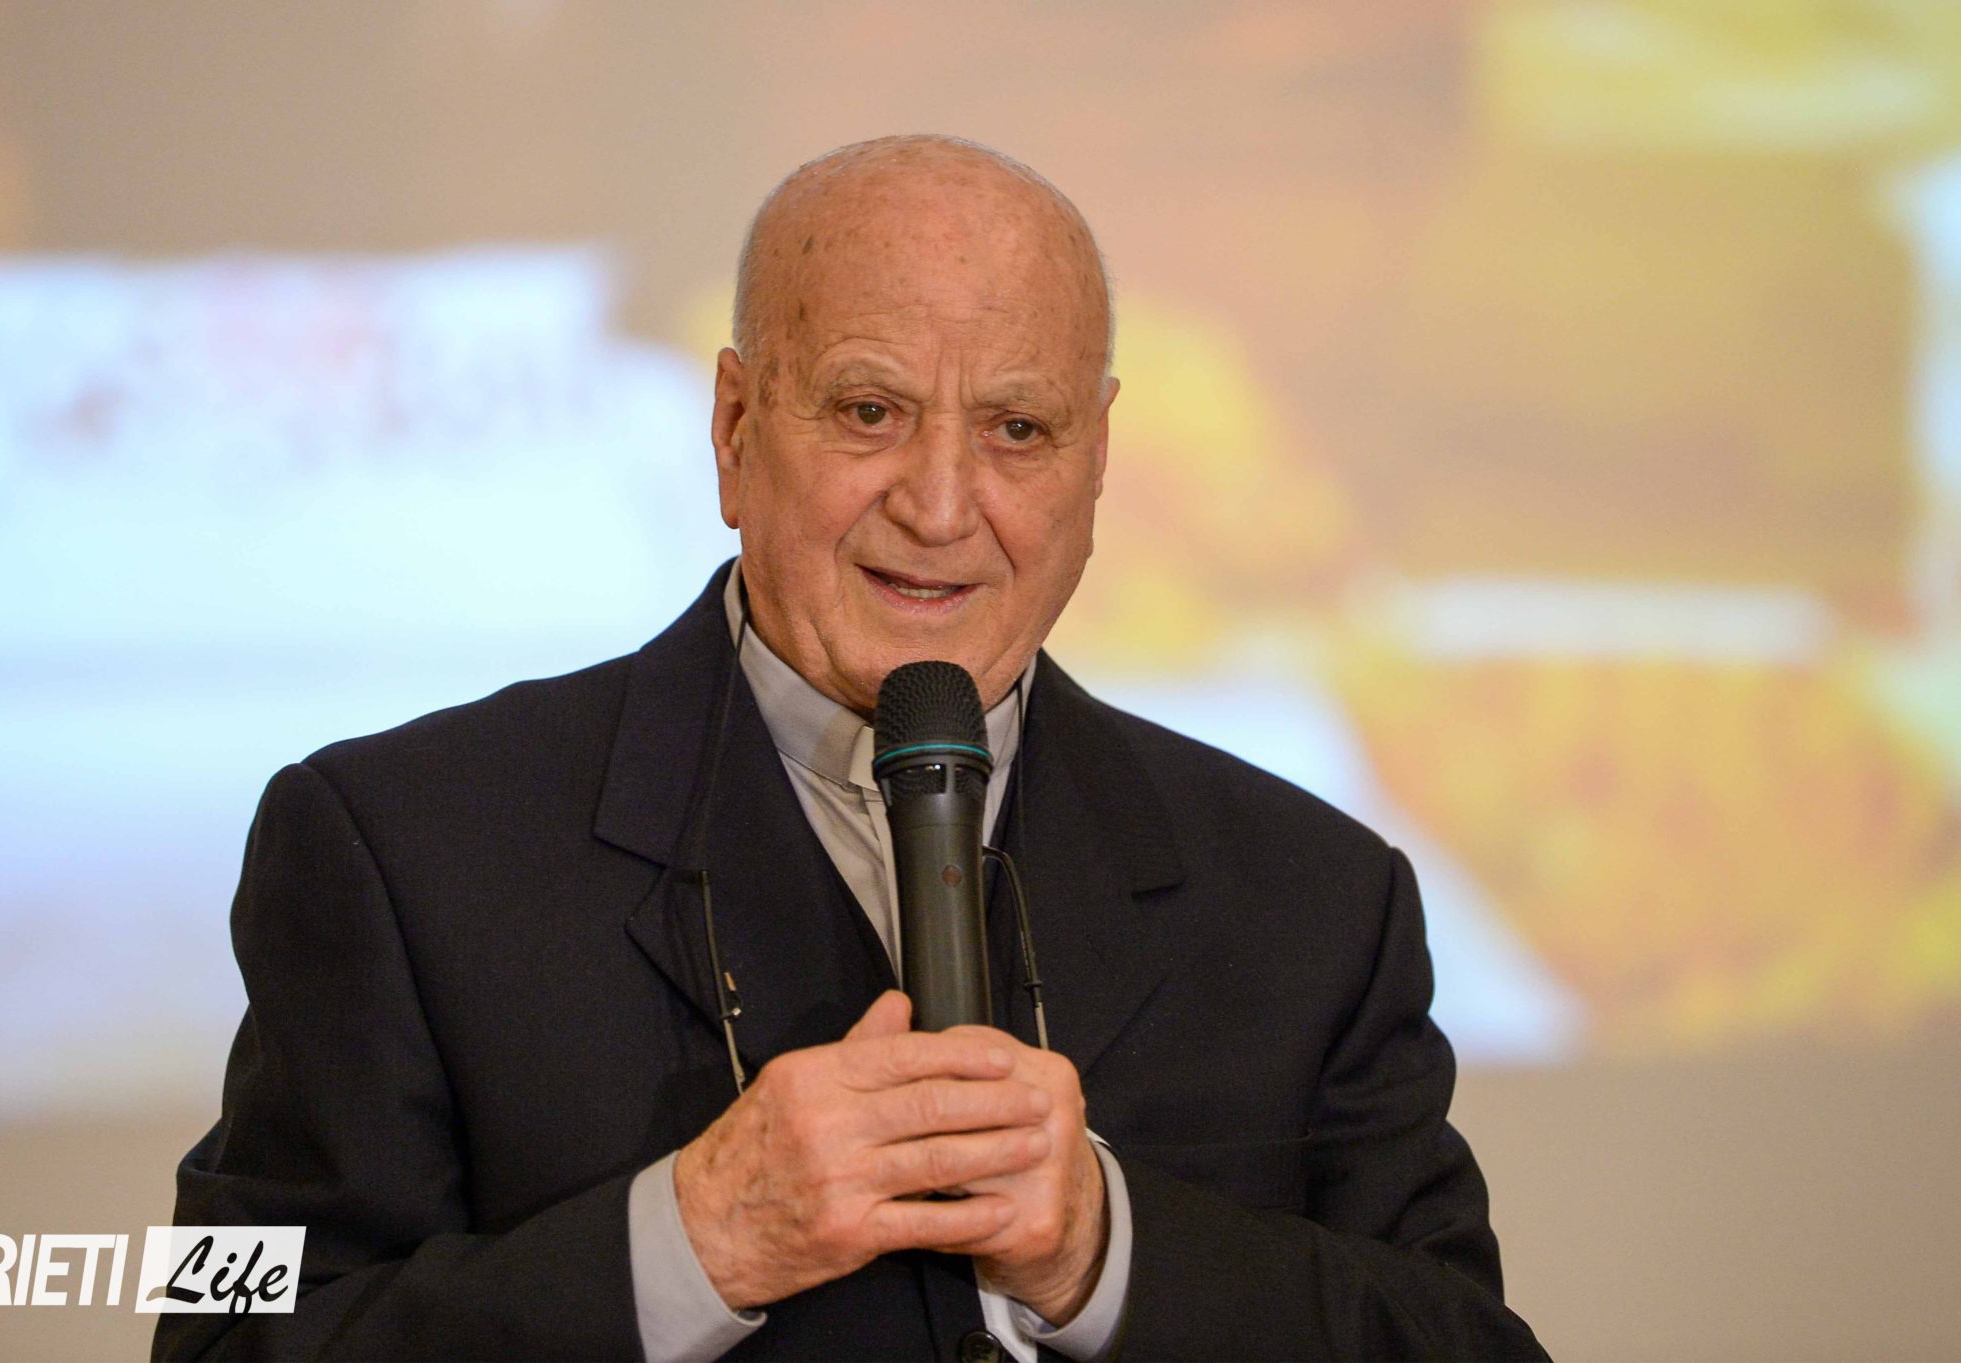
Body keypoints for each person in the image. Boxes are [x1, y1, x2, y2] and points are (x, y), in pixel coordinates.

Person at [157, 135, 1548, 1362]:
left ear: (1097, 463)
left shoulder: (1319, 896)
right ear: (734, 429)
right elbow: (219, 1332)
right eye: (871, 412)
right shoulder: (391, 844)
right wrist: (689, 1246)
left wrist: (1107, 1252)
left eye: (1017, 429)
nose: (940, 507)